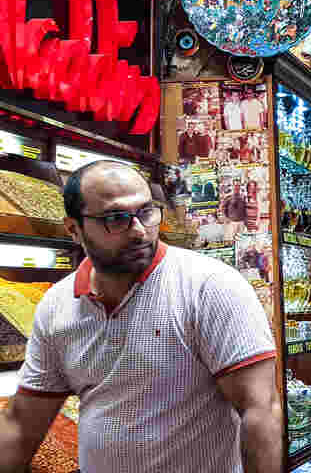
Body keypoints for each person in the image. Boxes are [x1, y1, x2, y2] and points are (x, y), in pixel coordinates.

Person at [0, 160, 281, 473]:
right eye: (116, 218)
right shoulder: (57, 306)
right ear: (74, 229)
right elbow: (22, 424)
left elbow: (261, 411)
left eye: (146, 212)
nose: (139, 231)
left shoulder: (209, 287)